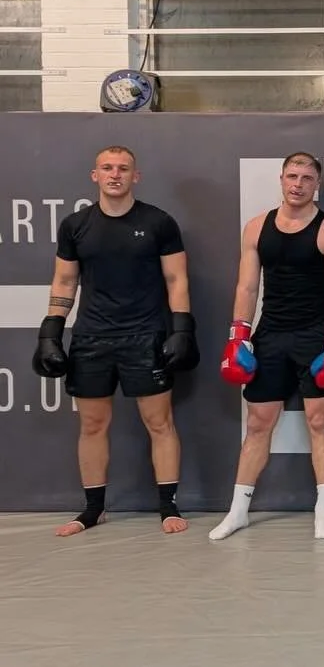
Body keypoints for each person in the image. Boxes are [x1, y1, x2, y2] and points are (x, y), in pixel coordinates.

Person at [34, 145, 198, 537]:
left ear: (135, 176)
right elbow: (65, 280)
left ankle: (168, 506)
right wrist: (51, 331)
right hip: (91, 336)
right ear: (95, 176)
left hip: (145, 335)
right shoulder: (75, 225)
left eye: (123, 168)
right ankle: (93, 510)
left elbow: (177, 279)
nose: (115, 174)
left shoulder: (158, 222)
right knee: (92, 424)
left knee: (159, 422)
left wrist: (182, 329)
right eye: (107, 168)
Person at [210, 152, 324, 541]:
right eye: (293, 176)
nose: (298, 184)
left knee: (319, 422)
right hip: (270, 334)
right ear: (281, 178)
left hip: (315, 335)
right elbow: (246, 286)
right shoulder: (257, 227)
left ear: (316, 184)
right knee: (258, 424)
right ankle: (238, 510)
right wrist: (237, 336)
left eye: (307, 178)